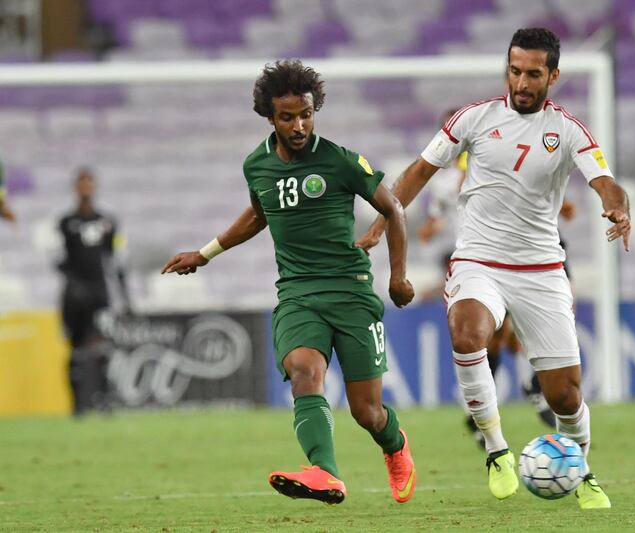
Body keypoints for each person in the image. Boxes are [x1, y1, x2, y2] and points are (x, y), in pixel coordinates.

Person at [358, 28, 630, 508]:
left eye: (533, 74)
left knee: (566, 398)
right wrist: (385, 220)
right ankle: (496, 450)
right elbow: (420, 171)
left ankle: (582, 471)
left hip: (542, 270)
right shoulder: (475, 118)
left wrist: (618, 207)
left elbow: (606, 182)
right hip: (478, 260)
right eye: (515, 70)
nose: (522, 82)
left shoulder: (568, 130)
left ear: (553, 76)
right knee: (467, 334)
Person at [161, 60, 417, 505]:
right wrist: (204, 254)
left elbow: (393, 208)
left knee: (367, 412)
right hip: (298, 294)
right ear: (269, 117)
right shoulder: (256, 166)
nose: (299, 126)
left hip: (351, 291)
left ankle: (395, 447)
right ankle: (325, 473)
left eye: (306, 114)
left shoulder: (339, 159)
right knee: (303, 371)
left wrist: (398, 276)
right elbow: (260, 215)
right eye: (288, 117)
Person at [417, 109, 557, 440]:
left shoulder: (494, 165)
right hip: (468, 263)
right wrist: (431, 227)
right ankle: (496, 406)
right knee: (491, 338)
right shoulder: (445, 183)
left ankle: (502, 401)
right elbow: (433, 224)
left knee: (504, 337)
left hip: (501, 258)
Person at [57, 168, 129, 415]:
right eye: (82, 184)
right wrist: (74, 287)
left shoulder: (107, 222)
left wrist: (125, 296)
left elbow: (116, 260)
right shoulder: (65, 223)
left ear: (94, 187)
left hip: (100, 296)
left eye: (90, 184)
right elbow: (59, 261)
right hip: (73, 299)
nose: (86, 189)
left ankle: (105, 401)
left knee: (103, 350)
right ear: (75, 188)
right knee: (75, 351)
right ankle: (77, 406)